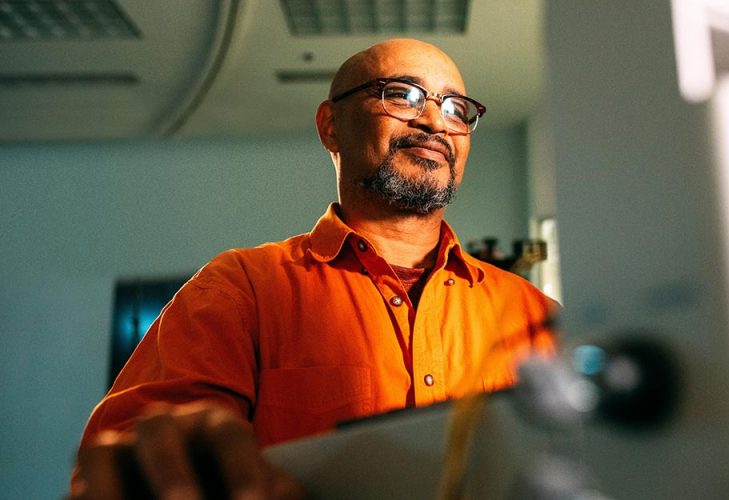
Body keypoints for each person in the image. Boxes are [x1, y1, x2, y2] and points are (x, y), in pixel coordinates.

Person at [70, 38, 558, 499]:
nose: (435, 121)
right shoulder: (239, 290)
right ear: (331, 126)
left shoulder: (537, 316)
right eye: (402, 95)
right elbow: (133, 465)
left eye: (456, 108)